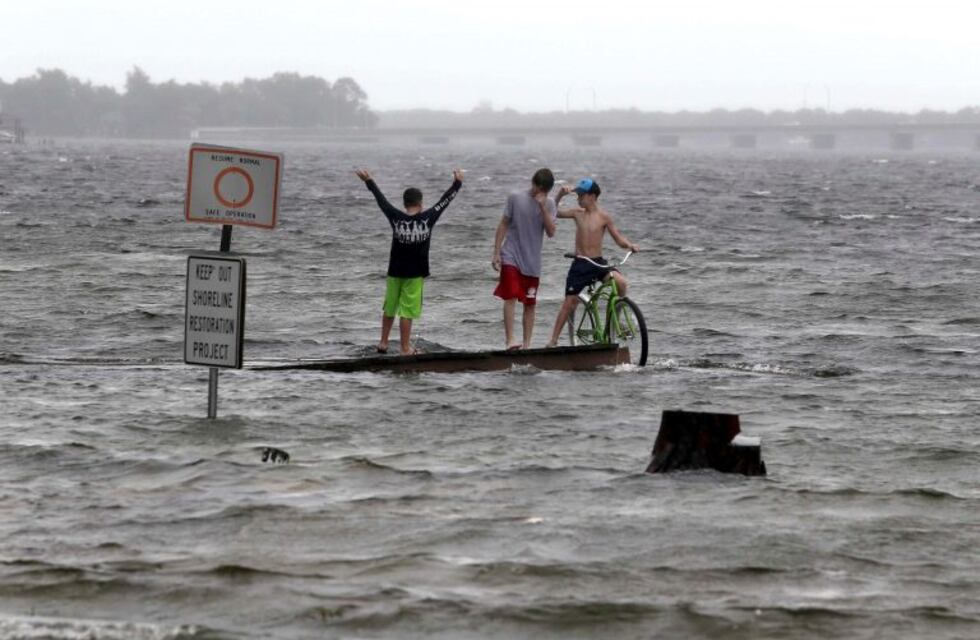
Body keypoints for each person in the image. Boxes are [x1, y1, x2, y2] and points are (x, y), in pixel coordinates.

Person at [355, 167, 464, 355]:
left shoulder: (396, 217)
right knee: (406, 312)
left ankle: (383, 343)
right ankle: (405, 348)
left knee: (389, 307)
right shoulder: (428, 218)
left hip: (394, 272)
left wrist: (369, 181)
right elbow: (443, 202)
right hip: (414, 274)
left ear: (405, 204)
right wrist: (457, 184)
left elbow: (381, 201)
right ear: (420, 204)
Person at [546, 178, 640, 347]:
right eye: (578, 195)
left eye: (581, 195)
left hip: (598, 263)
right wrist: (560, 194)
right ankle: (552, 341)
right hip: (581, 263)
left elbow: (618, 239)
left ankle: (616, 322)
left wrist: (630, 245)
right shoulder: (577, 213)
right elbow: (554, 212)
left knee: (621, 283)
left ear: (592, 196)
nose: (578, 198)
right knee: (569, 303)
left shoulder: (604, 217)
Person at [491, 168, 557, 349]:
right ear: (533, 183)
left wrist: (542, 207)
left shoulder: (550, 204)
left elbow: (551, 232)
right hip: (511, 254)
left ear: (548, 190)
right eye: (537, 187)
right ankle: (510, 340)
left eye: (543, 190)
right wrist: (497, 252)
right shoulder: (515, 197)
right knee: (510, 295)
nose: (539, 192)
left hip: (532, 262)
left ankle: (527, 346)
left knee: (529, 304)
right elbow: (503, 223)